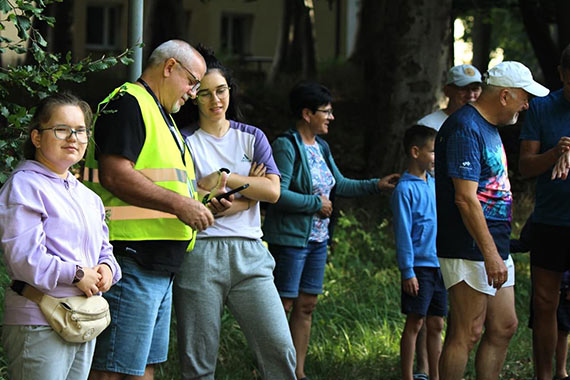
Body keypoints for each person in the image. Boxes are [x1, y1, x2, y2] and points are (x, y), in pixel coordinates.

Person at [84, 40, 229, 380]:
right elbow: (116, 175)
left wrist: (203, 202)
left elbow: (167, 186)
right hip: (130, 261)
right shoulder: (128, 103)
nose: (193, 93)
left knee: (143, 368)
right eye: (192, 82)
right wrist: (181, 205)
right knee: (114, 371)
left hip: (158, 264)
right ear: (169, 68)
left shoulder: (161, 114)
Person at [262, 81, 400, 380]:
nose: (332, 117)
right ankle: (273, 371)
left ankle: (298, 372)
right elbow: (277, 193)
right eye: (326, 111)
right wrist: (315, 204)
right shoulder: (286, 146)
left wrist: (377, 184)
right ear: (307, 113)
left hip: (318, 241)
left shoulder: (321, 147)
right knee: (283, 305)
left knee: (307, 305)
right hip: (290, 241)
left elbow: (340, 184)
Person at [172, 47, 296, 379]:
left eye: (221, 90)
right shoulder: (184, 142)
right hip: (200, 254)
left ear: (231, 90)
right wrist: (248, 192)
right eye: (205, 93)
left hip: (251, 253)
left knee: (280, 349)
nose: (216, 100)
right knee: (198, 361)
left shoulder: (252, 137)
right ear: (193, 97)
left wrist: (223, 179)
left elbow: (272, 191)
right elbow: (185, 198)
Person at [435, 61, 549, 380]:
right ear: (504, 96)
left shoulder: (489, 127)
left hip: (493, 244)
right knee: (468, 331)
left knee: (504, 326)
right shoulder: (465, 127)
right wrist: (490, 255)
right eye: (523, 97)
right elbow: (465, 198)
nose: (526, 105)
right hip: (468, 245)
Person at [0, 93, 122, 380]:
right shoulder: (24, 185)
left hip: (83, 318)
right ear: (37, 137)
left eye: (80, 131)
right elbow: (23, 259)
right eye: (61, 129)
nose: (73, 138)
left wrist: (106, 268)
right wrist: (77, 274)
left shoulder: (88, 197)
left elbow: (105, 249)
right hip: (40, 318)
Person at [519, 43, 570, 380]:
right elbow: (524, 167)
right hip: (551, 221)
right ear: (564, 75)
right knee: (545, 302)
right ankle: (544, 375)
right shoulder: (541, 108)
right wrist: (555, 154)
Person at [390, 125, 446, 380]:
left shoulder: (435, 184)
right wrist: (407, 270)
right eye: (433, 151)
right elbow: (402, 233)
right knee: (416, 322)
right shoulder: (404, 189)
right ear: (415, 152)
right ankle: (408, 376)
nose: (436, 157)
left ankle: (435, 375)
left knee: (437, 323)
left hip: (440, 265)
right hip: (419, 268)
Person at [510, 215, 570, 380]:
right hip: (542, 285)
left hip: (564, 285)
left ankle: (561, 371)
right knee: (540, 324)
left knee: (563, 329)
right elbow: (524, 243)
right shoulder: (540, 214)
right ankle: (541, 374)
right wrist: (499, 245)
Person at [417, 64, 482, 131]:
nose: (471, 95)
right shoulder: (428, 126)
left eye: (475, 89)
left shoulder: (487, 125)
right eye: (464, 89)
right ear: (447, 91)